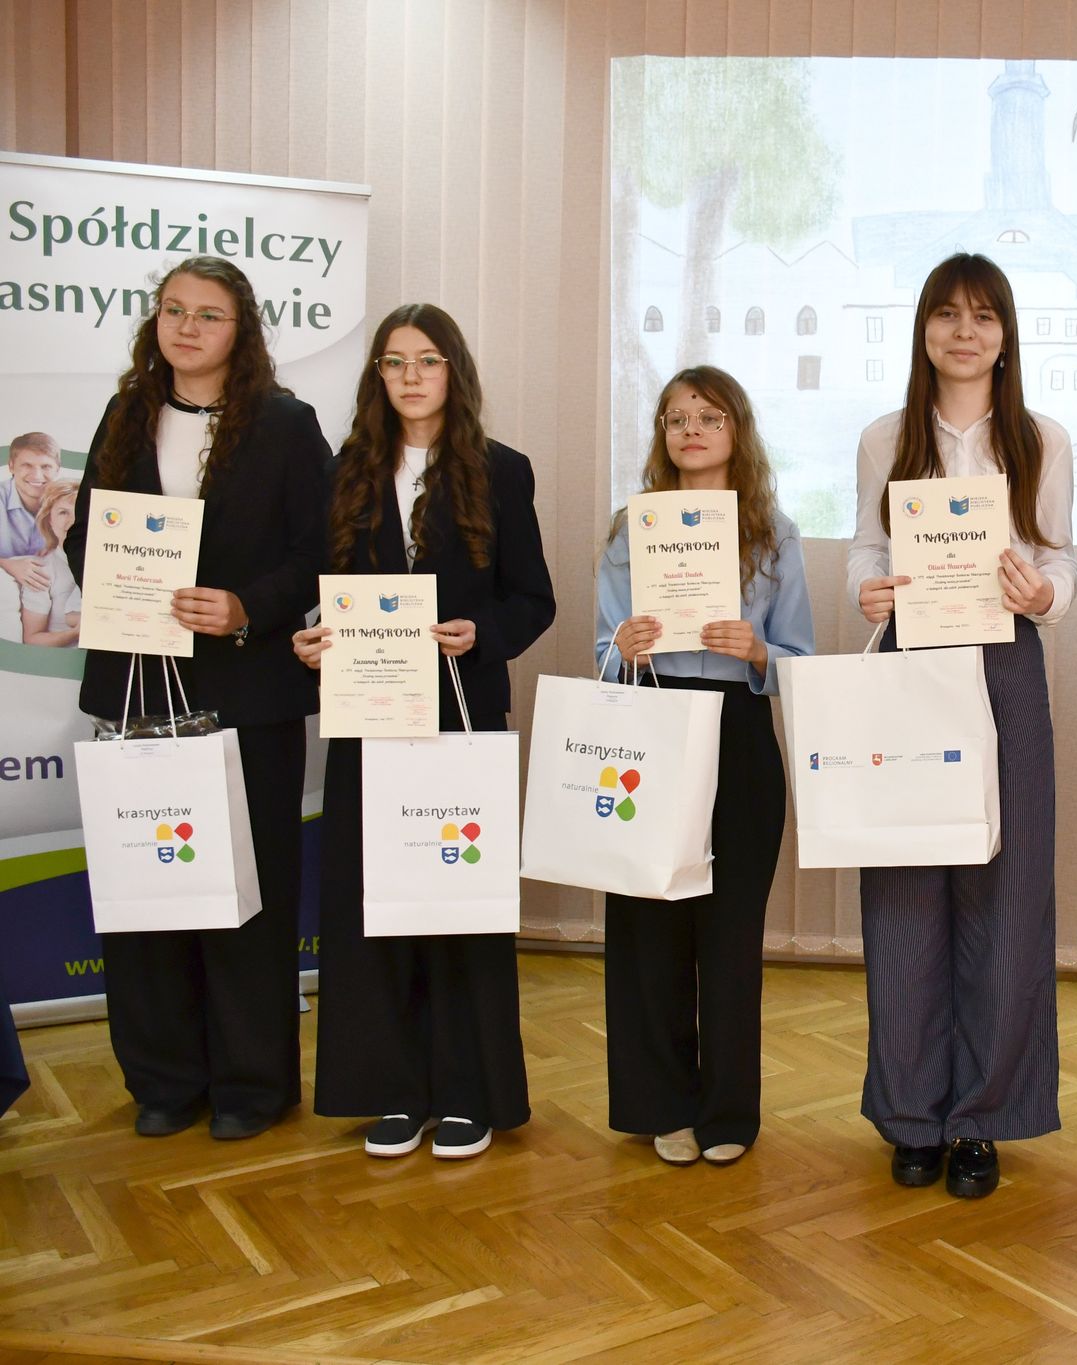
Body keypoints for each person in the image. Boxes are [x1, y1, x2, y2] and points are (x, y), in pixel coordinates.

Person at [65, 256, 330, 1140]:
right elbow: (86, 535)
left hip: (246, 693)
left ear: (240, 330)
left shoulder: (287, 424)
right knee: (150, 892)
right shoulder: (125, 413)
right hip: (138, 685)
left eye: (209, 314)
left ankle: (252, 1084)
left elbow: (320, 550)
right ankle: (165, 1080)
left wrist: (248, 607)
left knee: (246, 896)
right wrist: (118, 588)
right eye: (173, 310)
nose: (187, 327)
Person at [293, 304, 555, 1160]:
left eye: (428, 360)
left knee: (459, 902)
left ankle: (468, 1091)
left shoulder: (501, 470)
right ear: (377, 375)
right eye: (395, 361)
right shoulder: (343, 472)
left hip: (460, 714)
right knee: (376, 904)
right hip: (368, 717)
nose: (411, 376)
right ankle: (392, 1091)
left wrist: (483, 633)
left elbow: (533, 599)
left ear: (454, 372)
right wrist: (309, 636)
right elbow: (319, 591)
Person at [848, 252, 1075, 1199]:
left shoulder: (1041, 438)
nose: (965, 331)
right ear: (924, 330)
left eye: (983, 315)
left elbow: (1061, 560)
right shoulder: (885, 436)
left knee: (1005, 894)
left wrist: (1044, 594)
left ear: (1006, 334)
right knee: (905, 892)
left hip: (1006, 665)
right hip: (910, 662)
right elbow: (866, 545)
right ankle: (911, 1115)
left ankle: (980, 1118)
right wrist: (866, 587)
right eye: (947, 314)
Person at [595, 365, 814, 1168]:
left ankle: (727, 1111)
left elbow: (799, 659)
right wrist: (622, 647)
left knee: (729, 935)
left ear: (737, 431)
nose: (690, 429)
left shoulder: (774, 532)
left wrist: (757, 651)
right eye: (676, 417)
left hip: (740, 736)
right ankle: (662, 1104)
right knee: (650, 929)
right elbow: (600, 649)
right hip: (653, 727)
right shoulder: (631, 529)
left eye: (709, 416)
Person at [21, 478, 80, 646]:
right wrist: (75, 633)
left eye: (79, 512)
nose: (72, 521)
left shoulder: (106, 562)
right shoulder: (42, 570)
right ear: (49, 520)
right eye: (63, 512)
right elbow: (32, 638)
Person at [3, 432, 63, 589]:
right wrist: (8, 564)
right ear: (11, 466)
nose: (37, 475)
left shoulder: (69, 502)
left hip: (48, 586)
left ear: (58, 469)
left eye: (46, 467)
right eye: (27, 465)